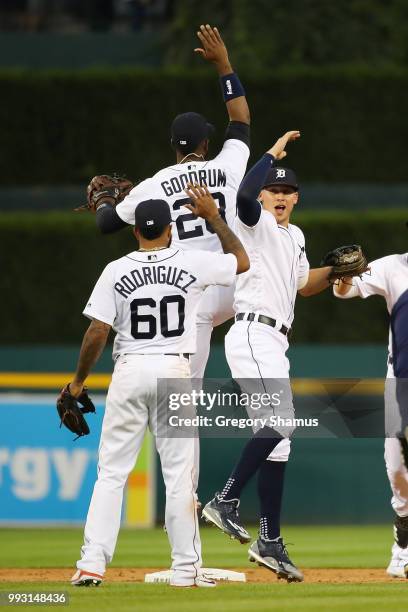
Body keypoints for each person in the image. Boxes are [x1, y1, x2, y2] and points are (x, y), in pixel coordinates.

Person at [67, 189, 249, 588]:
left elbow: (98, 330)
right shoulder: (191, 260)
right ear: (170, 229)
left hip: (130, 369)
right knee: (179, 476)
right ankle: (186, 569)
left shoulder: (115, 269)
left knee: (111, 474)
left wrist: (78, 382)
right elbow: (241, 261)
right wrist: (214, 218)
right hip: (174, 371)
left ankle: (91, 565)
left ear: (135, 231)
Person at [202, 131, 335, 582]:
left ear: (297, 198)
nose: (280, 196)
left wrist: (336, 270)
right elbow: (240, 196)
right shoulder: (253, 221)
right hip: (253, 332)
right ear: (263, 195)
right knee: (280, 422)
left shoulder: (294, 234)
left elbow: (302, 284)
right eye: (274, 189)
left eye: (287, 190)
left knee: (280, 440)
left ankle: (270, 541)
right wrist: (271, 155)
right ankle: (224, 499)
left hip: (276, 341)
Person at [93, 23, 250, 381]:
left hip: (194, 290)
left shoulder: (155, 184)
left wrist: (103, 200)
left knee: (182, 398)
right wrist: (223, 65)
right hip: (236, 280)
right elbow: (240, 121)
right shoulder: (227, 166)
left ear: (173, 147)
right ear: (205, 145)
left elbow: (106, 224)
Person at [333, 251, 408, 578]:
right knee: (397, 469)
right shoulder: (394, 266)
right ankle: (403, 542)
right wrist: (344, 275)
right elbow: (344, 290)